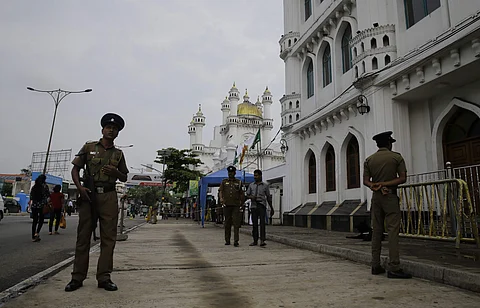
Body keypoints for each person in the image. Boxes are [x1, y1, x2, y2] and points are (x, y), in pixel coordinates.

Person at [65, 113, 129, 292]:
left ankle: (104, 277)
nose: (111, 130)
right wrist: (80, 188)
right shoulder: (89, 147)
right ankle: (77, 277)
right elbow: (75, 169)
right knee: (83, 237)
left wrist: (115, 173)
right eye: (108, 127)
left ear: (117, 133)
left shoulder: (118, 153)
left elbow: (124, 176)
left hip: (108, 196)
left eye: (115, 128)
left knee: (109, 239)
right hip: (88, 195)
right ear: (103, 129)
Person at [363, 131, 412, 279]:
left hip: (376, 197)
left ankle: (375, 264)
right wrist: (384, 184)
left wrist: (374, 185)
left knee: (376, 231)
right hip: (389, 196)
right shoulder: (396, 157)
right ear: (389, 143)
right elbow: (402, 178)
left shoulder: (369, 160)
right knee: (392, 231)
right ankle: (394, 267)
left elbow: (366, 181)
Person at [246, 169, 274, 247]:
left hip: (262, 205)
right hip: (254, 206)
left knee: (262, 223)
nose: (255, 177)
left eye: (257, 175)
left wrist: (271, 208)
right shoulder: (251, 185)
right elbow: (247, 195)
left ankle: (262, 240)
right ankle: (255, 240)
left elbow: (268, 197)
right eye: (254, 175)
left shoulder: (265, 186)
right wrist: (252, 197)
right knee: (254, 224)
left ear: (260, 176)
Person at [218, 166, 244, 247]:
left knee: (236, 223)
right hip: (227, 205)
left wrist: (241, 203)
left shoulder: (239, 182)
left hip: (236, 205)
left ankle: (236, 240)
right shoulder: (224, 182)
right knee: (227, 223)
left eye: (232, 172)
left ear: (235, 173)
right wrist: (221, 198)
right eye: (229, 172)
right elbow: (221, 191)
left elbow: (241, 193)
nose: (230, 174)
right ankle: (227, 240)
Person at [29, 174, 50, 242]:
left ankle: (33, 236)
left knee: (35, 221)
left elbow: (31, 197)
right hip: (41, 205)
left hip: (34, 205)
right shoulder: (45, 187)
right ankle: (37, 233)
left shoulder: (34, 187)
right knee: (41, 220)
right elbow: (47, 196)